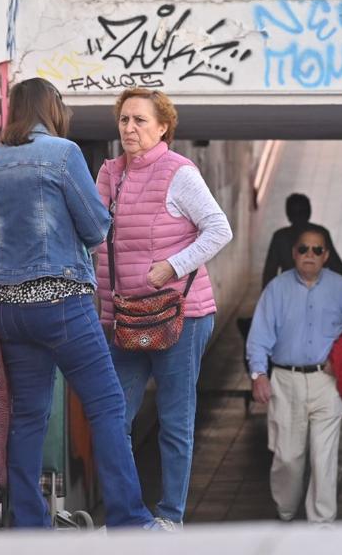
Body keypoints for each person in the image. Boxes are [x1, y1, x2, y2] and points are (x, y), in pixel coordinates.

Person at [0, 78, 160, 529]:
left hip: (10, 310)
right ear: (51, 109)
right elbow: (96, 227)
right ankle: (129, 519)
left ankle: (29, 524)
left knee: (29, 415)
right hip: (62, 304)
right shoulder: (63, 154)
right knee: (108, 406)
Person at [96, 88, 233, 529]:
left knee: (175, 419)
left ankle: (170, 516)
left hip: (181, 315)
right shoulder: (109, 174)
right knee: (113, 416)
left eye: (139, 121)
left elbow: (218, 229)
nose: (130, 128)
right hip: (124, 317)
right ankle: (127, 514)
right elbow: (96, 241)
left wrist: (171, 266)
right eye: (124, 120)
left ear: (162, 128)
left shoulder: (180, 173)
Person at [246, 227, 342, 524]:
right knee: (288, 458)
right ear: (294, 254)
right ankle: (285, 511)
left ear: (326, 255)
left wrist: (340, 360)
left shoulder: (341, 289)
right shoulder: (276, 289)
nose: (309, 255)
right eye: (303, 250)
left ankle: (321, 526)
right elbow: (259, 336)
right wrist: (258, 374)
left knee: (323, 457)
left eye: (316, 250)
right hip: (286, 382)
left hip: (328, 383)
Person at [261, 193, 342, 288]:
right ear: (309, 212)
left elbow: (269, 274)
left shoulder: (280, 237)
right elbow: (337, 267)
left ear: (288, 214)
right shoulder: (321, 234)